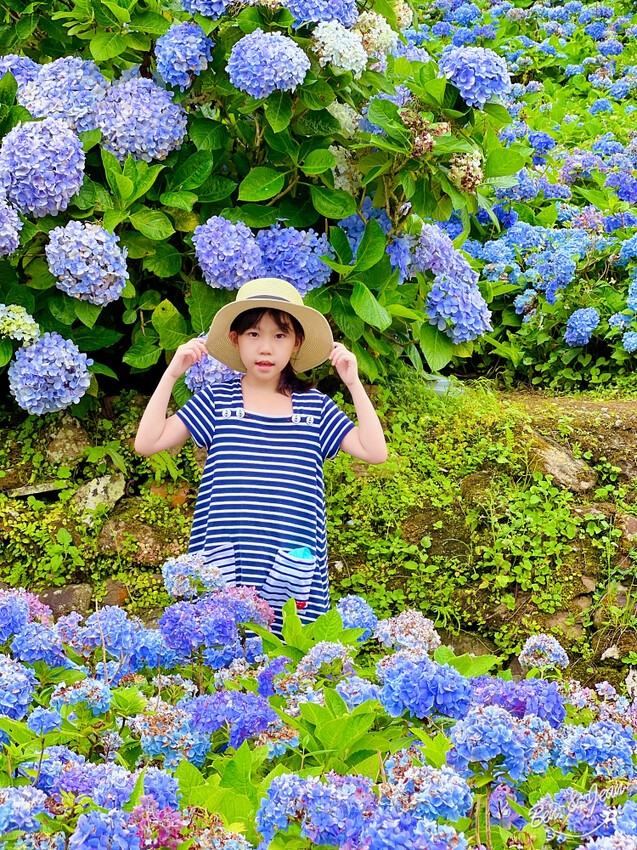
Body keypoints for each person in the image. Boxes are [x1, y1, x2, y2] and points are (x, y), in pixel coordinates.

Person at [135, 277, 387, 634]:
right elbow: (147, 442)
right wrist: (172, 372)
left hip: (291, 566)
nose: (265, 348)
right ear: (236, 340)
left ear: (296, 342)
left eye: (279, 336)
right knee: (221, 653)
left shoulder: (315, 409)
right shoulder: (216, 401)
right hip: (225, 558)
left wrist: (353, 383)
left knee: (285, 663)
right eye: (254, 334)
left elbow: (375, 452)